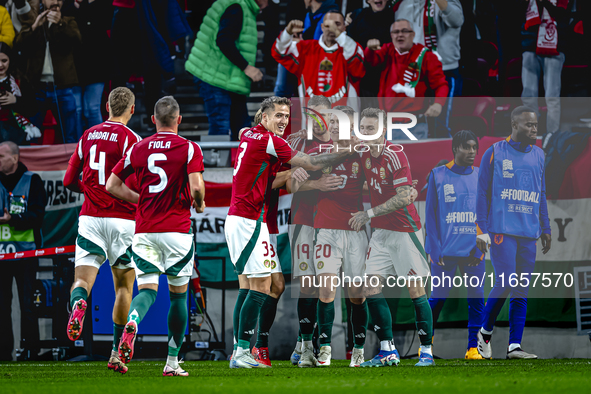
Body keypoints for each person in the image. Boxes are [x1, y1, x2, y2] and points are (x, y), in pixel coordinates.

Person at [225, 95, 359, 369]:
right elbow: (309, 163)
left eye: (287, 116)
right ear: (264, 117)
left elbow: (274, 173)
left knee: (265, 285)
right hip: (249, 219)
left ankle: (246, 350)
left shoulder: (251, 135)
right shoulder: (274, 141)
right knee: (260, 285)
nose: (284, 121)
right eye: (278, 116)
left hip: (254, 219)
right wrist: (347, 152)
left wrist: (292, 174)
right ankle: (242, 350)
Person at [106, 96, 205, 377]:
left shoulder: (138, 148)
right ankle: (172, 362)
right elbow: (197, 187)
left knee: (147, 291)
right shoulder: (189, 148)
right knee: (178, 297)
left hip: (145, 231)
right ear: (179, 120)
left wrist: (140, 200)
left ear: (153, 120)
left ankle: (134, 320)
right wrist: (199, 203)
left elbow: (112, 184)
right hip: (177, 231)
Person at [63, 87, 141, 374]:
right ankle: (116, 353)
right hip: (123, 220)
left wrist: (88, 189)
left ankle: (79, 303)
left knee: (82, 281)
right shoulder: (133, 140)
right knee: (123, 286)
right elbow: (139, 182)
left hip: (91, 219)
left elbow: (68, 180)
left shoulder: (87, 135)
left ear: (105, 106)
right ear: (132, 110)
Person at [349, 107, 433, 367]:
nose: (366, 133)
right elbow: (374, 184)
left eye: (371, 129)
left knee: (415, 289)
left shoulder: (395, 154)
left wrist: (369, 213)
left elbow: (402, 196)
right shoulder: (363, 154)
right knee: (369, 286)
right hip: (382, 233)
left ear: (383, 130)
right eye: (363, 129)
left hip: (405, 231)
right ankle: (388, 350)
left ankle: (427, 352)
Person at [476, 106, 552, 360]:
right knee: (506, 281)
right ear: (515, 125)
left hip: (529, 232)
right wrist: (481, 229)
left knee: (521, 289)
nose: (534, 129)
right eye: (529, 125)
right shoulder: (495, 152)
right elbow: (482, 193)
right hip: (502, 231)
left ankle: (514, 347)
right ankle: (485, 332)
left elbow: (541, 194)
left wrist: (546, 227)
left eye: (536, 125)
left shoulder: (540, 154)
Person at [296, 105, 368, 368]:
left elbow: (379, 183)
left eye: (341, 124)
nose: (335, 128)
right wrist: (315, 184)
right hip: (326, 232)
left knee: (356, 295)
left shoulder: (363, 154)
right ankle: (323, 349)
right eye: (333, 123)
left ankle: (358, 350)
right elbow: (293, 183)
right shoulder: (317, 153)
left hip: (355, 232)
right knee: (325, 291)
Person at [424, 130, 485, 360]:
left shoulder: (481, 176)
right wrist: (433, 247)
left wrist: (480, 249)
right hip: (444, 252)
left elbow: (486, 215)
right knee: (437, 297)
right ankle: (425, 345)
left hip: (473, 252)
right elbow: (430, 215)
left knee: (476, 298)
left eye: (474, 148)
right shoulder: (437, 175)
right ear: (454, 149)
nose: (471, 152)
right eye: (466, 147)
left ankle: (473, 348)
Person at [186, 0, 267, 140]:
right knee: (220, 128)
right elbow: (224, 40)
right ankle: (219, 162)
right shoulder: (237, 7)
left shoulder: (242, 7)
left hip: (227, 79)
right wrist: (247, 67)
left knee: (242, 129)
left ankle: (239, 161)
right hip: (213, 77)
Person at [0, 141, 46, 361]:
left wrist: (14, 219)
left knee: (28, 305)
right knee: (2, 306)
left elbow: (38, 215)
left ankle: (32, 351)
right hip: (1, 256)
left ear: (15, 159)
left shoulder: (32, 181)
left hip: (26, 255)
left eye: (1, 156)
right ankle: (4, 353)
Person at [365, 19, 448, 139]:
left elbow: (441, 84)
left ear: (413, 34)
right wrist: (369, 50)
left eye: (405, 31)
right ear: (391, 35)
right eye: (396, 32)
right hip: (387, 124)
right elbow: (372, 61)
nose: (400, 35)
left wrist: (438, 104)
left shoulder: (426, 56)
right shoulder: (387, 50)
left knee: (413, 158)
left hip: (414, 125)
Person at [14, 0, 82, 143]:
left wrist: (60, 24)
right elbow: (19, 45)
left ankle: (73, 165)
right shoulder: (33, 21)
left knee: (70, 134)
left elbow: (77, 40)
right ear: (43, 1)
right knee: (32, 133)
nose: (56, 2)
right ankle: (32, 164)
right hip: (37, 87)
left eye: (60, 0)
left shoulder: (69, 21)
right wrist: (35, 27)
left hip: (62, 87)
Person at [396, 0, 464, 137]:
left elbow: (456, 20)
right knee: (418, 126)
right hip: (417, 72)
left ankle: (446, 157)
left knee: (441, 125)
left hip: (445, 69)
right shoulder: (406, 4)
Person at [272, 11, 365, 105]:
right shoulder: (305, 49)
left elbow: (358, 66)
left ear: (344, 27)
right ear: (322, 27)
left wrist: (338, 34)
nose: (332, 29)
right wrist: (287, 33)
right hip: (312, 117)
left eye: (337, 24)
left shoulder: (352, 49)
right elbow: (279, 52)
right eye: (328, 25)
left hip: (345, 117)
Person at [520, 0, 569, 136]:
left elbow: (562, 15)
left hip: (554, 47)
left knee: (552, 96)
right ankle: (528, 136)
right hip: (530, 44)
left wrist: (544, 3)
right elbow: (518, 12)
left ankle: (552, 138)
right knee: (529, 96)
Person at [274, 0, 340, 98]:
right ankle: (282, 98)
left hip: (322, 62)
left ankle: (281, 97)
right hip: (306, 59)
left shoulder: (329, 15)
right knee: (285, 58)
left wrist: (300, 42)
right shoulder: (309, 15)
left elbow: (319, 44)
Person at [68, 0, 111, 131]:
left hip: (96, 65)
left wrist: (87, 5)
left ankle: (96, 143)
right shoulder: (67, 7)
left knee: (92, 108)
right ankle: (78, 145)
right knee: (77, 110)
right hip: (73, 66)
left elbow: (102, 24)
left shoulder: (101, 5)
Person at [346, 0, 395, 97]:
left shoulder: (395, 17)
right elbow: (350, 44)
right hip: (361, 77)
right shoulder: (357, 15)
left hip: (385, 76)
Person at [0, 42, 39, 144]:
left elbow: (33, 109)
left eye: (4, 61)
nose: (0, 65)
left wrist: (16, 100)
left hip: (16, 134)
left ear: (10, 61)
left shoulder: (20, 81)